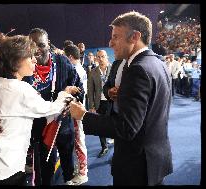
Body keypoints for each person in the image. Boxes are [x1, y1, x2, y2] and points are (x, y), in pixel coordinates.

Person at [69, 11, 173, 186]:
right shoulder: (158, 63)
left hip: (137, 165)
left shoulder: (137, 70)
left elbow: (127, 128)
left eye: (116, 37)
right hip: (154, 159)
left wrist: (83, 115)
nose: (110, 43)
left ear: (135, 36)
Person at [0, 28, 84, 185]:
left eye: (39, 46)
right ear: (15, 60)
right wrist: (66, 93)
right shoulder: (21, 89)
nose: (35, 58)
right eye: (30, 55)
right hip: (6, 165)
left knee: (66, 156)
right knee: (45, 165)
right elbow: (52, 107)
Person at [64, 44, 88, 185]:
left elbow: (76, 94)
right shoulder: (80, 68)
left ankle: (82, 173)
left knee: (79, 141)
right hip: (78, 108)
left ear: (70, 57)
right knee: (78, 141)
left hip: (76, 110)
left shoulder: (75, 70)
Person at [87, 50, 112, 158]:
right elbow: (90, 90)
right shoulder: (93, 72)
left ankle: (117, 148)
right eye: (99, 57)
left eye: (103, 56)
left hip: (112, 102)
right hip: (99, 103)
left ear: (107, 57)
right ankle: (104, 146)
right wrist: (91, 106)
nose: (101, 59)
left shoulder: (113, 70)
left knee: (114, 124)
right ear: (96, 59)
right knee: (100, 126)